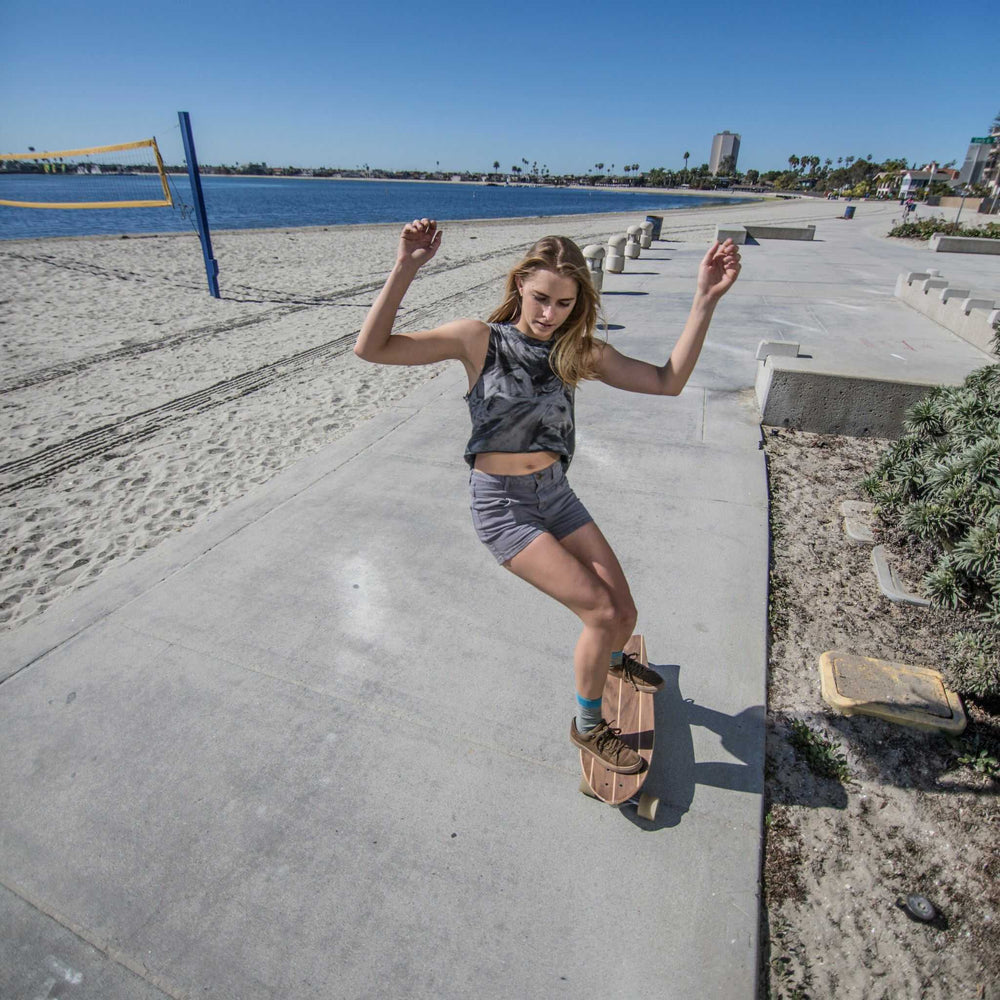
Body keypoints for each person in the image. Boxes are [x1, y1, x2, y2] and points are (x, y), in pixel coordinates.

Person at [355, 219, 741, 773]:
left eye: (563, 303)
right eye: (539, 299)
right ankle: (588, 727)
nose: (548, 314)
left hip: (555, 495)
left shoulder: (577, 351)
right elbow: (373, 349)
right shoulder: (478, 339)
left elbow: (667, 381)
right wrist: (406, 267)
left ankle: (611, 661)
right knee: (602, 610)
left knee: (625, 614)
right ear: (519, 287)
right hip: (503, 507)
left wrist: (704, 300)